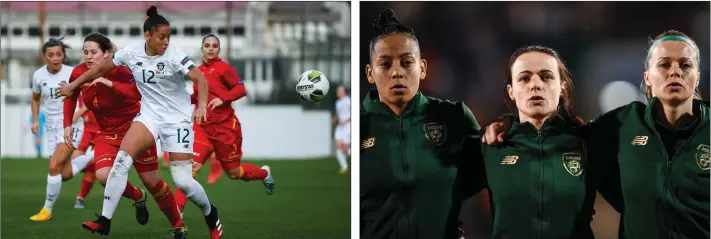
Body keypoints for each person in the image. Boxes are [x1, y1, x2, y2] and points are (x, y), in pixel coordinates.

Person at [483, 30, 709, 238]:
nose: (675, 72)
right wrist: (510, 123)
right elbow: (556, 128)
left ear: (697, 77)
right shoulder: (621, 124)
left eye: (685, 65)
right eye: (664, 64)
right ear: (647, 76)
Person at [56, 6, 222, 238]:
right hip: (149, 116)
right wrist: (73, 86)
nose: (166, 42)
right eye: (162, 37)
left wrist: (202, 105)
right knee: (122, 161)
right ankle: (104, 221)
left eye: (168, 37)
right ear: (148, 35)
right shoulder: (131, 52)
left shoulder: (174, 55)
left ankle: (210, 213)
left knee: (183, 182)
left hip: (177, 121)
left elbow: (200, 79)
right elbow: (102, 67)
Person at [360, 9, 482, 238]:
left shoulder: (455, 117)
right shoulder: (359, 126)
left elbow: (491, 177)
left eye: (406, 62)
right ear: (370, 73)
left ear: (423, 68)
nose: (397, 72)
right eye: (385, 64)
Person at [471, 45, 596, 238]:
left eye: (546, 76)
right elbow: (440, 194)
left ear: (562, 88)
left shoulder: (588, 141)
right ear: (511, 91)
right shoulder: (491, 145)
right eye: (524, 78)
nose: (535, 84)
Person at [174, 33, 274, 213]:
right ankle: (177, 213)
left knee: (234, 173)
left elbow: (241, 89)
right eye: (207, 45)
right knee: (190, 168)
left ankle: (264, 173)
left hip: (225, 128)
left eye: (214, 46)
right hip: (202, 126)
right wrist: (181, 100)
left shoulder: (224, 69)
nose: (210, 48)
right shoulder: (197, 71)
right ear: (202, 49)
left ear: (219, 50)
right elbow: (198, 96)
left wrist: (223, 98)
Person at [29, 37, 95, 221]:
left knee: (53, 166)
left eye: (59, 54)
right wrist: (35, 121)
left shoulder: (73, 73)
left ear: (63, 55)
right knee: (63, 173)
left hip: (70, 126)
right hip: (51, 127)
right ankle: (93, 155)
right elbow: (34, 98)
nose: (55, 58)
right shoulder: (38, 76)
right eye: (51, 55)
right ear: (44, 57)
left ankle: (47, 210)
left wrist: (79, 113)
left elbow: (90, 95)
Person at [333, 85, 350, 174]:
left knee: (345, 148)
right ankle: (344, 166)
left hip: (347, 127)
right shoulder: (338, 103)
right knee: (338, 147)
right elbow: (338, 114)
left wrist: (345, 120)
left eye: (339, 91)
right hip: (340, 127)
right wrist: (335, 119)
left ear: (343, 92)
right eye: (337, 91)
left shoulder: (348, 101)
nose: (337, 93)